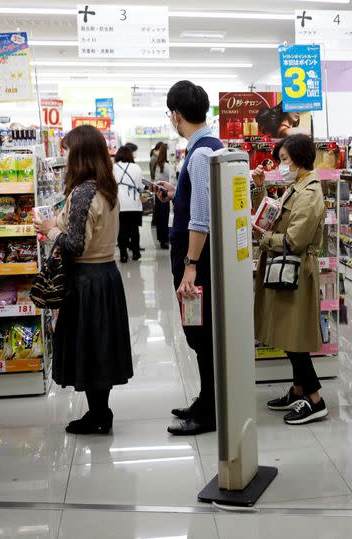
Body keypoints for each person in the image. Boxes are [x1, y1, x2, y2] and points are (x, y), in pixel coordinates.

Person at [35, 125, 133, 435]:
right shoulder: (107, 186)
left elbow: (75, 244)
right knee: (100, 345)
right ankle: (100, 412)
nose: (63, 155)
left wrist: (51, 228)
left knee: (90, 346)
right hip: (106, 275)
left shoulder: (82, 192)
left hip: (86, 279)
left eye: (67, 149)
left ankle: (99, 415)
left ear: (79, 154)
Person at [154, 80, 223, 436]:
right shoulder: (211, 147)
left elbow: (202, 218)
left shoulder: (198, 155)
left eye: (170, 114)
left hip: (195, 256)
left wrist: (190, 267)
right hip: (199, 254)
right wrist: (174, 192)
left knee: (199, 331)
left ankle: (210, 411)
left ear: (177, 115)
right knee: (200, 329)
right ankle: (206, 399)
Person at [251, 135, 328, 425]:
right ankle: (298, 390)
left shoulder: (309, 193)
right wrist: (259, 189)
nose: (281, 165)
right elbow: (271, 216)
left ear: (297, 158)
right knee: (287, 332)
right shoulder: (296, 187)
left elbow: (295, 240)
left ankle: (315, 399)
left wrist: (264, 238)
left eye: (283, 159)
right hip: (285, 267)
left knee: (294, 338)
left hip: (295, 270)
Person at [114, 145, 144, 263]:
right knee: (135, 230)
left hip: (120, 204)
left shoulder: (113, 167)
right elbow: (141, 187)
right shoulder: (137, 167)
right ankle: (136, 253)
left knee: (121, 231)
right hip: (134, 204)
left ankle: (123, 255)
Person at [151, 143, 174, 249]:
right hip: (165, 193)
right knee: (164, 217)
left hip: (158, 192)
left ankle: (161, 239)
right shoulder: (167, 166)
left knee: (160, 217)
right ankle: (165, 239)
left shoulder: (158, 164)